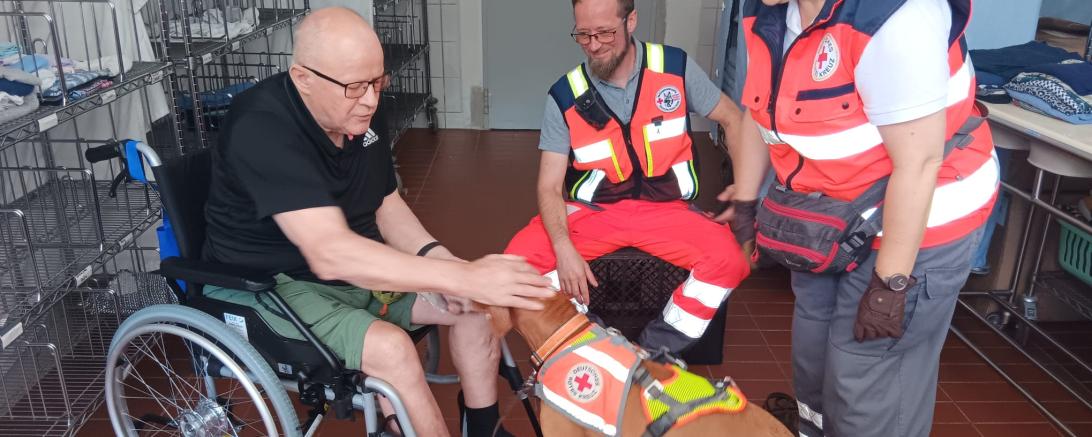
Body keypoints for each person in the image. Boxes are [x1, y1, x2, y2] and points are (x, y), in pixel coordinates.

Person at [200, 8, 554, 436]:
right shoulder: (262, 126)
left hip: (352, 272)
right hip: (271, 284)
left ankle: (482, 428)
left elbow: (387, 207)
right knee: (392, 347)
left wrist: (455, 270)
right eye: (354, 86)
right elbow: (329, 253)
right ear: (303, 78)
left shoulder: (361, 114)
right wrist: (463, 277)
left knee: (476, 310)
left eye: (377, 81)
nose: (370, 98)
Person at [717, 0, 999, 435]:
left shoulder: (895, 17)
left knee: (862, 379)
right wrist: (747, 203)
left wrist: (891, 286)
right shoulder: (770, 13)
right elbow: (761, 114)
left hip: (918, 223)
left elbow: (920, 163)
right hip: (829, 221)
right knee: (813, 362)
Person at [504, 0, 751, 356]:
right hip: (593, 214)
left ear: (630, 21)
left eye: (605, 32)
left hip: (667, 211)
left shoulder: (674, 69)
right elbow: (548, 186)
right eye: (583, 35)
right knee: (516, 269)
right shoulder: (565, 95)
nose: (594, 44)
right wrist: (563, 249)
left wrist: (743, 194)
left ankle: (651, 352)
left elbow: (734, 119)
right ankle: (603, 346)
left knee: (732, 259)